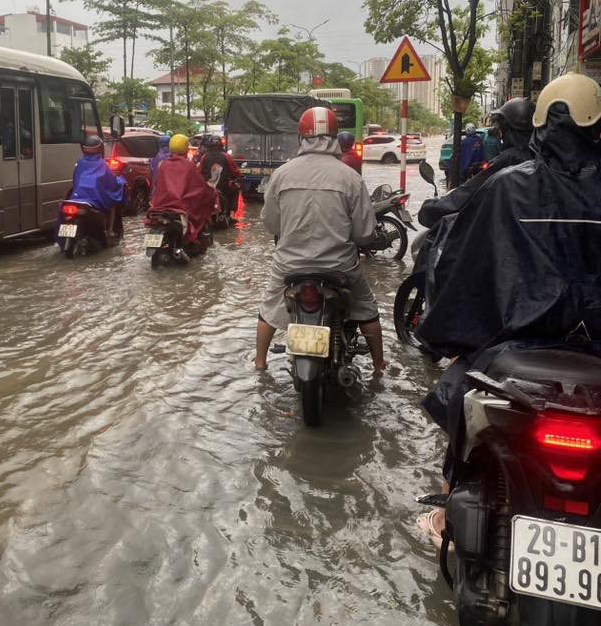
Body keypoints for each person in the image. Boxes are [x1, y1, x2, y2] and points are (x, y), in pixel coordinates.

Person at [416, 73, 601, 543]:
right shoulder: (501, 177)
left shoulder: (507, 184)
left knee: (460, 408)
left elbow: (462, 266)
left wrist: (446, 334)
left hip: (519, 348)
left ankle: (445, 518)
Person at [254, 106, 385, 372]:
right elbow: (364, 232)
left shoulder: (281, 174)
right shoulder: (350, 177)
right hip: (339, 266)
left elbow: (269, 223)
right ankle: (380, 366)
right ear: (336, 136)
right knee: (366, 307)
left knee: (269, 308)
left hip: (289, 264)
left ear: (301, 137)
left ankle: (259, 363)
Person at [418, 98, 534, 229]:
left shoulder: (508, 160)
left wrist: (433, 209)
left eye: (502, 129)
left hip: (503, 233)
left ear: (508, 129)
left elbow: (471, 191)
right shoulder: (541, 157)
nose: (500, 135)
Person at [147, 134, 217, 245]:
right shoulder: (189, 165)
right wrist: (209, 192)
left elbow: (157, 184)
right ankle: (193, 240)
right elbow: (198, 186)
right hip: (180, 205)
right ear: (185, 148)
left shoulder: (163, 164)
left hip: (160, 204)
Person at [61, 135, 126, 240]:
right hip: (95, 199)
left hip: (77, 197)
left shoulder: (79, 162)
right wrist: (120, 181)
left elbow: (75, 179)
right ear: (100, 148)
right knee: (112, 204)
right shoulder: (102, 164)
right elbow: (111, 182)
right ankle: (109, 231)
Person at [198, 134, 242, 217]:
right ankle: (232, 214)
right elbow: (235, 171)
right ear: (221, 144)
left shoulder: (204, 156)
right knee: (235, 191)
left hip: (208, 187)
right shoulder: (226, 156)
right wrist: (239, 176)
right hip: (223, 187)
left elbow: (199, 171)